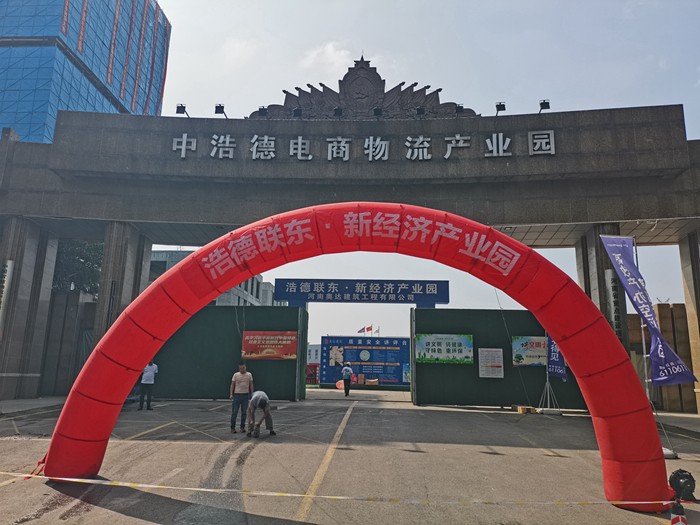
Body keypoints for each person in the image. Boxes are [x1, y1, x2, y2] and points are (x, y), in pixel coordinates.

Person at [230, 362, 253, 433]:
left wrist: (252, 394)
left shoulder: (249, 375)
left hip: (245, 395)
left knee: (244, 412)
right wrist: (231, 394)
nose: (242, 369)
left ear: (245, 367)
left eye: (243, 368)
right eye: (240, 368)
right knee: (234, 412)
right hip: (237, 395)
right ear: (239, 368)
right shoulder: (235, 375)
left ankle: (242, 427)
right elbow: (232, 385)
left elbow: (251, 384)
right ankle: (232, 428)